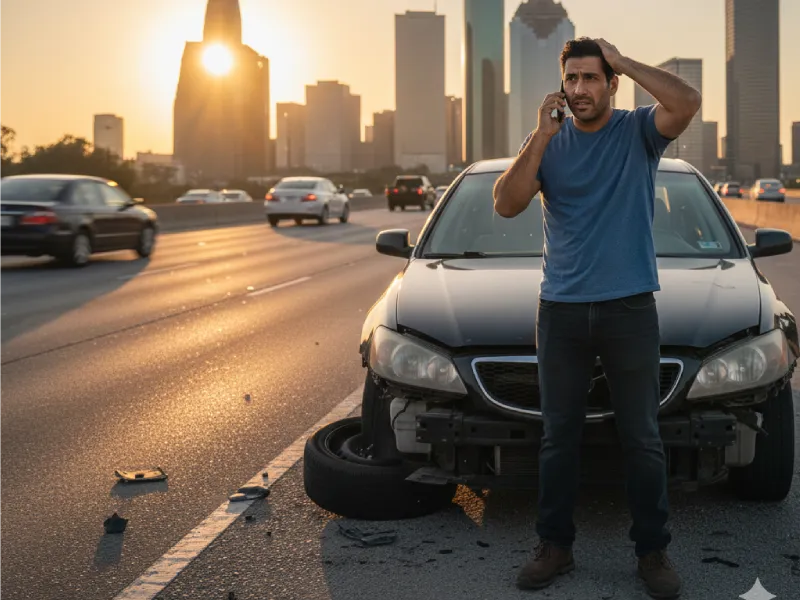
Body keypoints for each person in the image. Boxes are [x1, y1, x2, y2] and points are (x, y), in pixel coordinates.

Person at [492, 37, 701, 599]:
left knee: (642, 437)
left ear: (611, 84)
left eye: (591, 78)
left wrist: (625, 60)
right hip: (560, 310)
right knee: (558, 438)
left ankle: (652, 551)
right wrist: (540, 135)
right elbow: (506, 202)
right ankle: (555, 547)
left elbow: (687, 101)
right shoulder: (548, 142)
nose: (580, 89)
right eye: (572, 80)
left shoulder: (637, 130)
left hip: (629, 307)